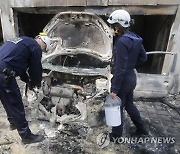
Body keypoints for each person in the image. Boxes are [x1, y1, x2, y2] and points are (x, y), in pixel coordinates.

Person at [0, 33, 51, 144]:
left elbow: (20, 65)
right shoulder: (36, 47)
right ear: (44, 44)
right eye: (44, 49)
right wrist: (36, 83)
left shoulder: (23, 40)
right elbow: (35, 68)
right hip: (4, 74)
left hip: (2, 69)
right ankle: (26, 136)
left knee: (6, 100)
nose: (42, 51)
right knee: (16, 105)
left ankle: (13, 123)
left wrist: (28, 81)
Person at [107, 10, 148, 140]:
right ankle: (141, 129)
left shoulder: (122, 42)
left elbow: (120, 68)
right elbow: (144, 58)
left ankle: (116, 136)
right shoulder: (135, 37)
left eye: (114, 25)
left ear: (119, 26)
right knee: (129, 104)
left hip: (123, 80)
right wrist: (131, 66)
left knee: (118, 108)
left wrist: (114, 89)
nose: (113, 28)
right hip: (131, 77)